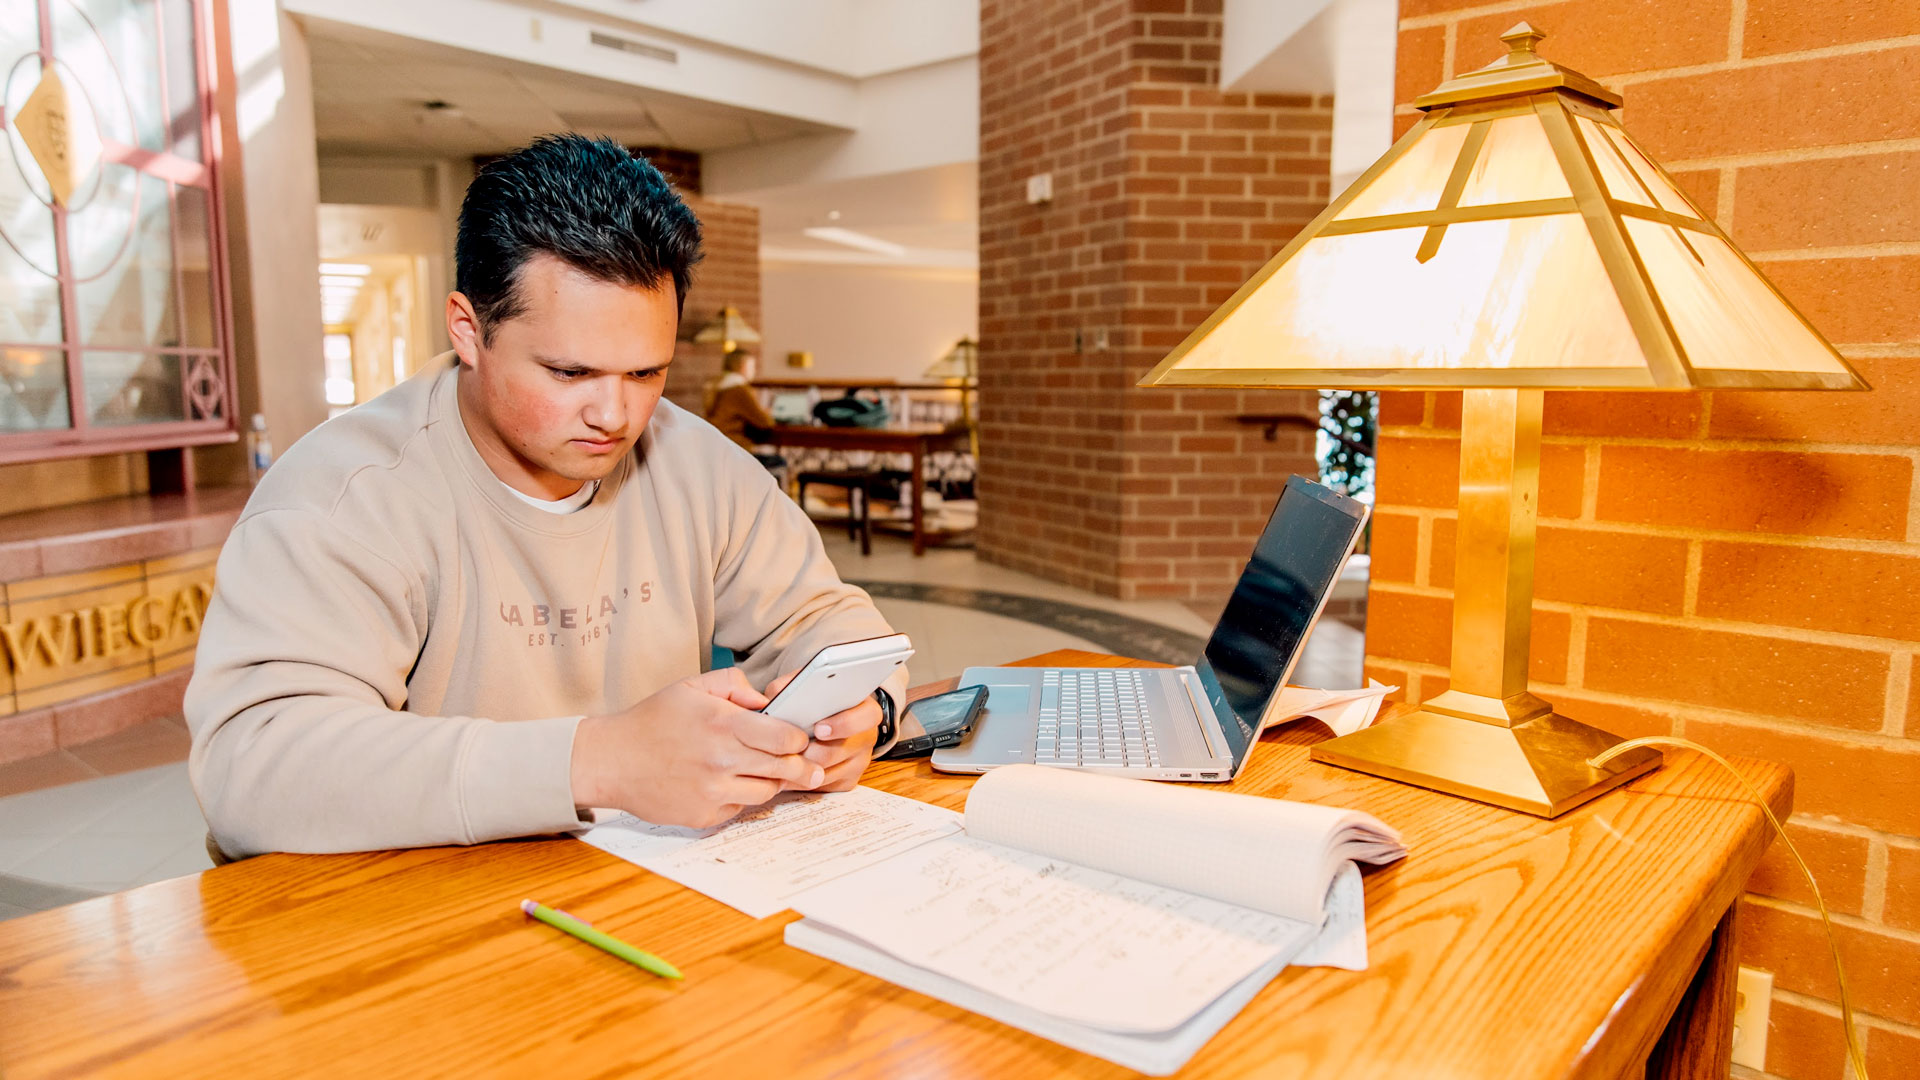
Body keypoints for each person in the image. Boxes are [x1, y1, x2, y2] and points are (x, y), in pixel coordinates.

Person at [185, 135, 904, 859]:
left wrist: (865, 708)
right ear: (469, 330)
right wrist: (597, 762)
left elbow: (828, 618)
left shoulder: (699, 465)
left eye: (646, 373)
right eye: (569, 373)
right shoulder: (345, 500)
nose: (615, 416)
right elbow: (255, 769)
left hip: (652, 882)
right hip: (426, 899)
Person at [704, 348, 786, 473]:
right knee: (780, 461)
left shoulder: (718, 386)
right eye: (752, 366)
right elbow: (765, 422)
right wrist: (768, 413)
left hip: (715, 449)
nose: (754, 371)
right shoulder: (738, 389)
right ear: (743, 367)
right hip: (734, 449)